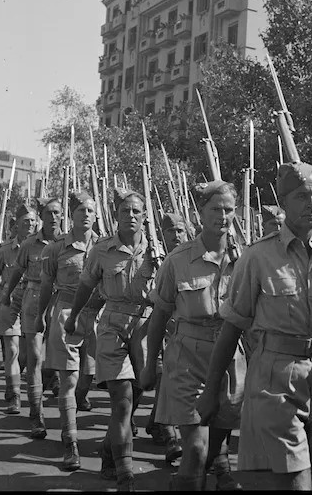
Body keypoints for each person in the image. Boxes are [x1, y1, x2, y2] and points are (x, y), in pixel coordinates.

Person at [196, 162, 312, 490]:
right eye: (302, 196)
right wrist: (212, 391)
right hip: (276, 379)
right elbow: (232, 328)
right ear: (283, 201)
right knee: (292, 481)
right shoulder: (259, 257)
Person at [141, 181, 246, 491]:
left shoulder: (247, 259)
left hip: (232, 360)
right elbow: (159, 316)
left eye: (229, 210)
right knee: (196, 451)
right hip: (188, 359)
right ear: (198, 213)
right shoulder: (178, 260)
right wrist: (149, 366)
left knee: (214, 450)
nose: (223, 216)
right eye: (216, 209)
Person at [65, 188, 162, 492]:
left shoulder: (157, 253)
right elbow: (85, 285)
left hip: (146, 326)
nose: (131, 216)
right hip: (112, 326)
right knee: (122, 401)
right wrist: (73, 316)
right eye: (125, 212)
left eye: (136, 212)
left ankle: (110, 451)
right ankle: (126, 474)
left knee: (138, 394)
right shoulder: (102, 250)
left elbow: (168, 297)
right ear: (116, 216)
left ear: (144, 217)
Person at [35, 191, 99, 471]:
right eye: (80, 210)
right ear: (71, 214)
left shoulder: (105, 247)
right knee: (69, 381)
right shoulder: (56, 248)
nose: (86, 214)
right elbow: (47, 285)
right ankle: (70, 440)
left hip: (97, 315)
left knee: (90, 376)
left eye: (90, 210)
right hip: (65, 311)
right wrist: (40, 316)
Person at [4, 196, 64, 439]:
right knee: (35, 357)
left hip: (59, 300)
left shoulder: (67, 243)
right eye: (48, 213)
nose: (52, 217)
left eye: (56, 213)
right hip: (33, 297)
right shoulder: (30, 244)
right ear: (41, 216)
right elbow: (17, 272)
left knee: (57, 356)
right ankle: (36, 414)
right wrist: (7, 295)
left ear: (62, 215)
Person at [0, 203, 37, 414]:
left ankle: (15, 382)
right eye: (25, 222)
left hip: (34, 303)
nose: (29, 224)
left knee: (27, 355)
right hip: (9, 301)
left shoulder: (44, 248)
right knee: (11, 350)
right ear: (17, 225)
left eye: (32, 220)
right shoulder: (3, 251)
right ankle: (14, 395)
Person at [142, 211, 190, 461]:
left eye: (180, 230)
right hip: (157, 326)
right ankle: (169, 434)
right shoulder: (152, 257)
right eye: (171, 231)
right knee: (160, 379)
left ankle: (159, 423)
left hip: (185, 331)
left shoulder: (193, 257)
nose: (176, 236)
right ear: (162, 233)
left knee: (169, 383)